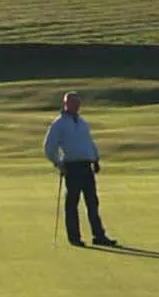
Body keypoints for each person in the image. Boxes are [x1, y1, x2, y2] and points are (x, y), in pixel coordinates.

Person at [42, 90, 116, 248]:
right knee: (72, 204)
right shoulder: (59, 124)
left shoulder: (82, 122)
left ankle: (99, 235)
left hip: (86, 166)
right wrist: (58, 163)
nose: (77, 106)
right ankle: (74, 237)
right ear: (66, 104)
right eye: (73, 103)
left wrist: (95, 159)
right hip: (72, 166)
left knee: (92, 202)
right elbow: (49, 147)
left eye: (78, 103)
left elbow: (89, 142)